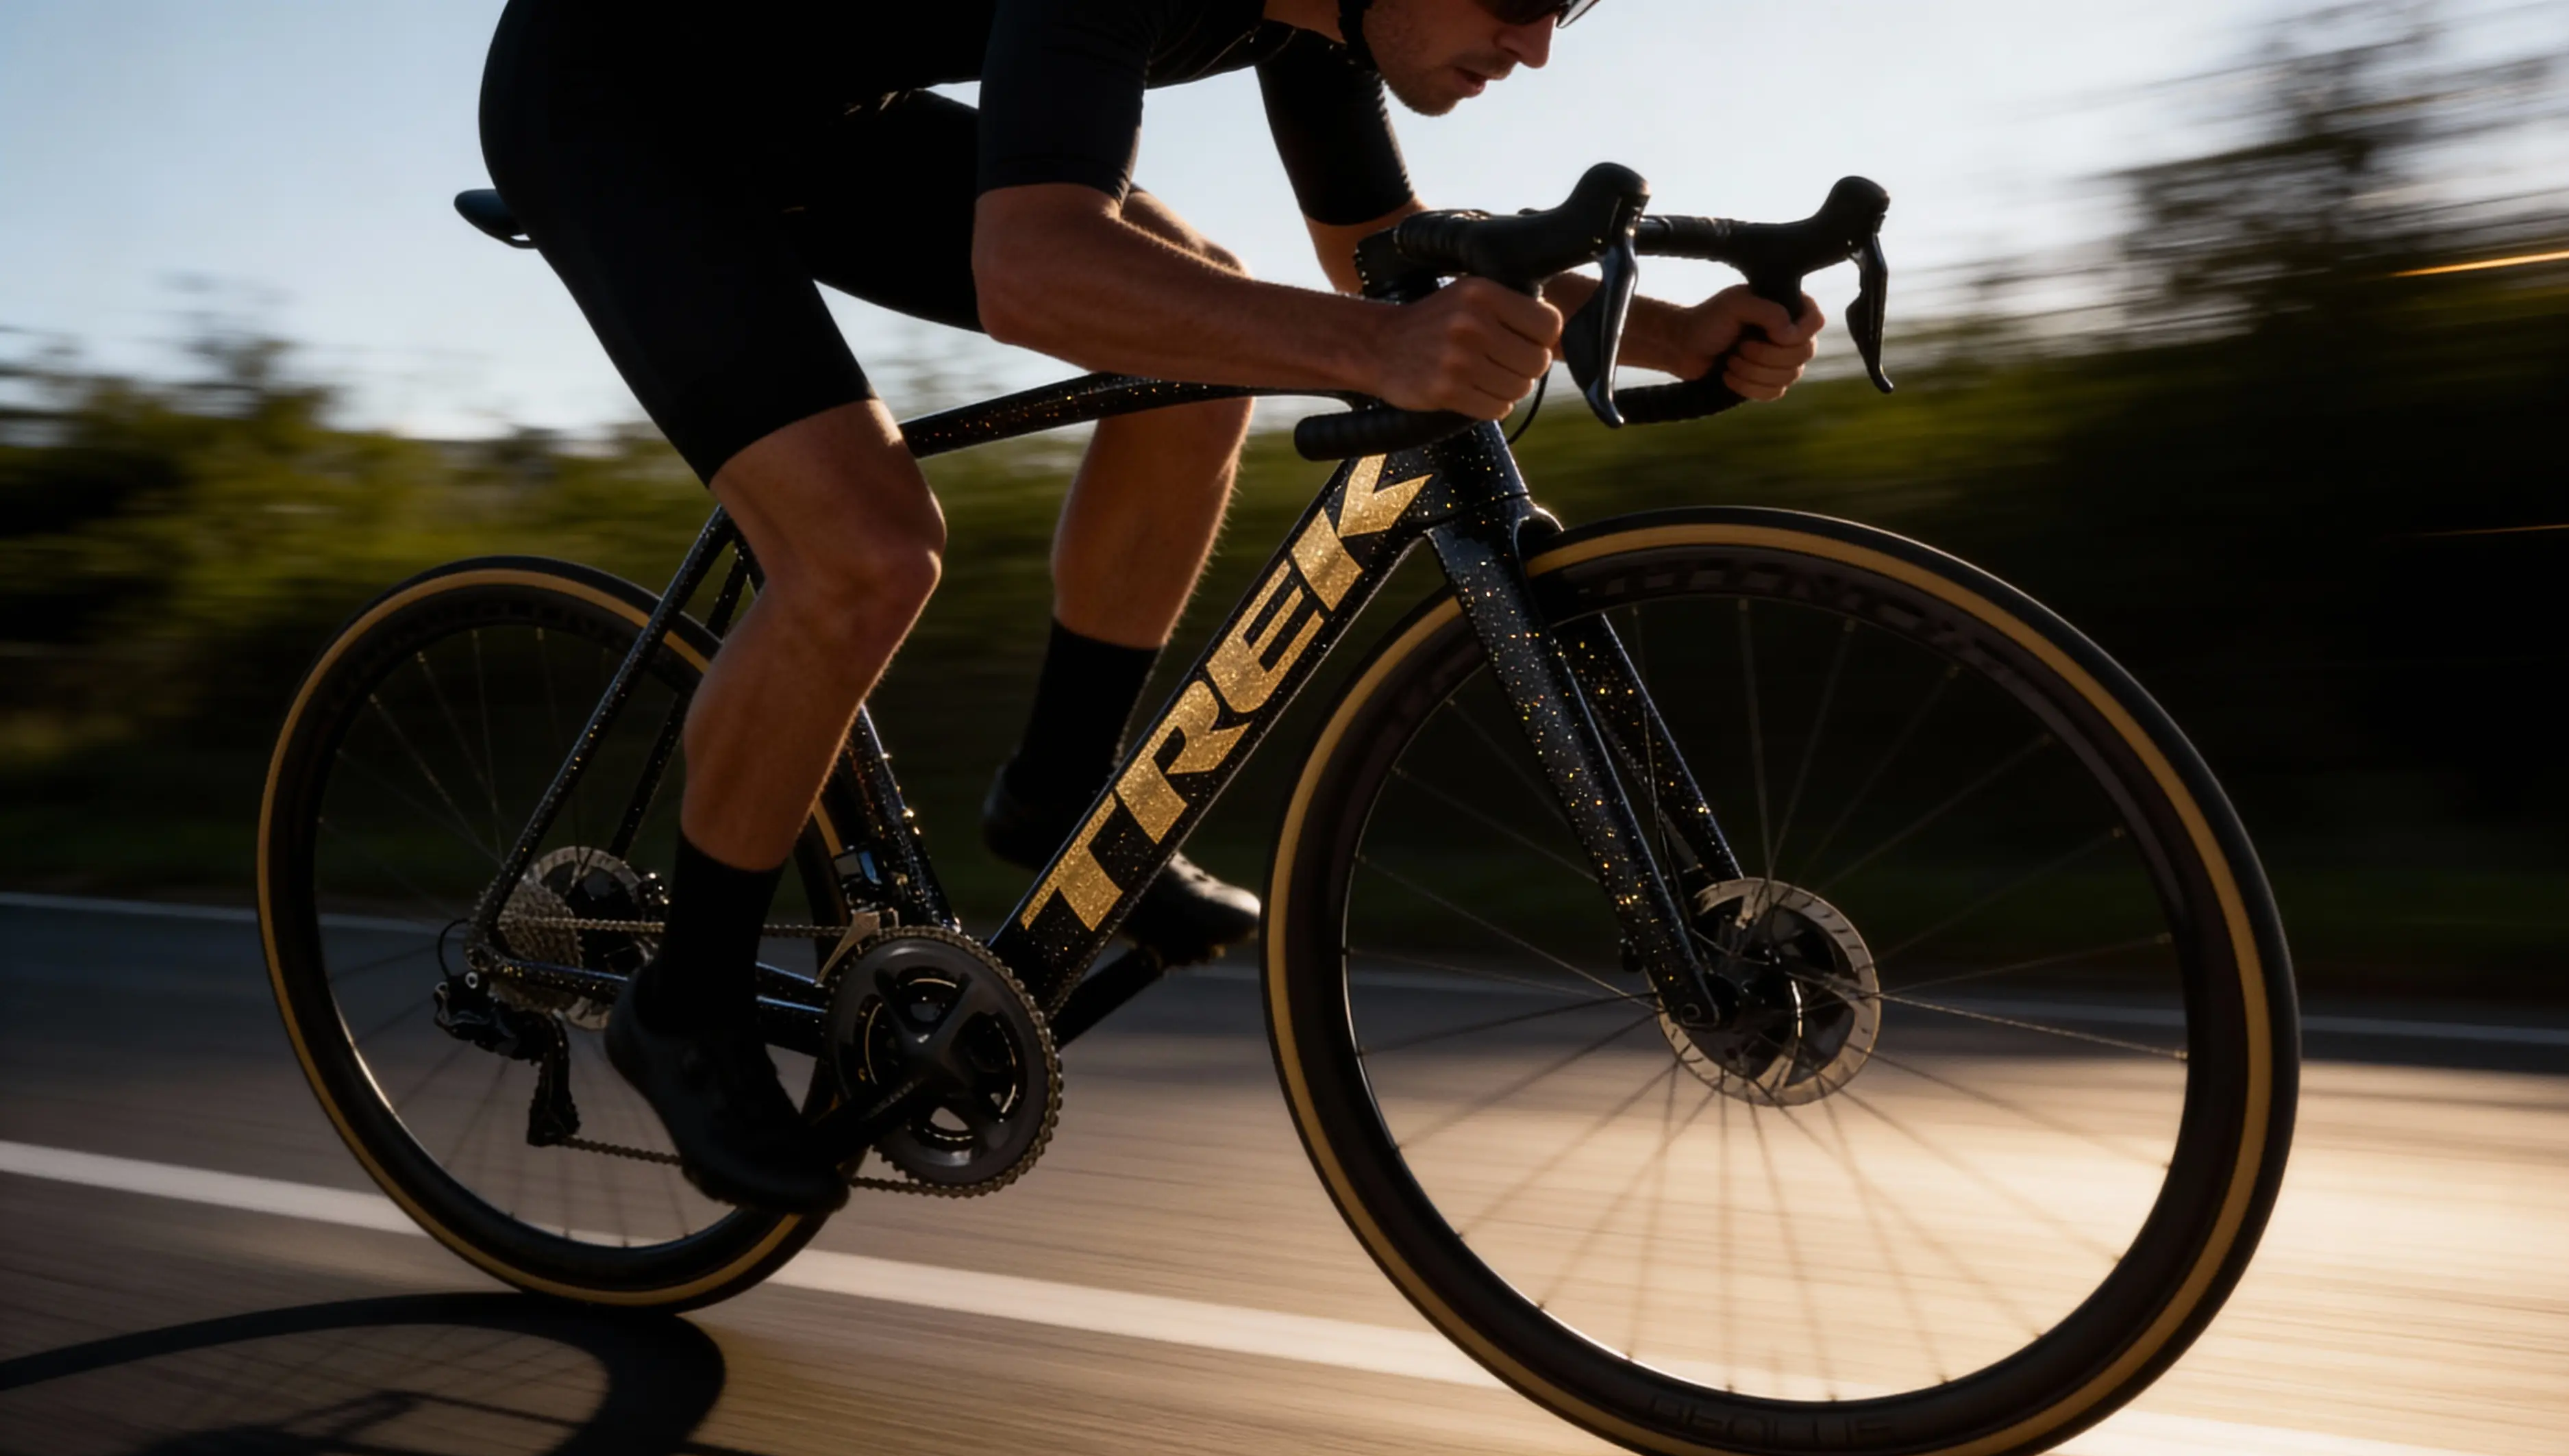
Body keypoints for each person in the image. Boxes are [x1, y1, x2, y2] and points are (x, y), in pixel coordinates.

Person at [477, 0, 1828, 1214]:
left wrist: (1675, 329)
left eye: (1569, 9)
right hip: (615, 99)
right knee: (865, 552)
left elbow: (1380, 261)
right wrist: (1374, 349)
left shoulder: (1319, 17)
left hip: (824, 125)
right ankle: (685, 1000)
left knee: (1208, 347)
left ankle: (1056, 789)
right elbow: (1035, 273)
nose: (1536, 42)